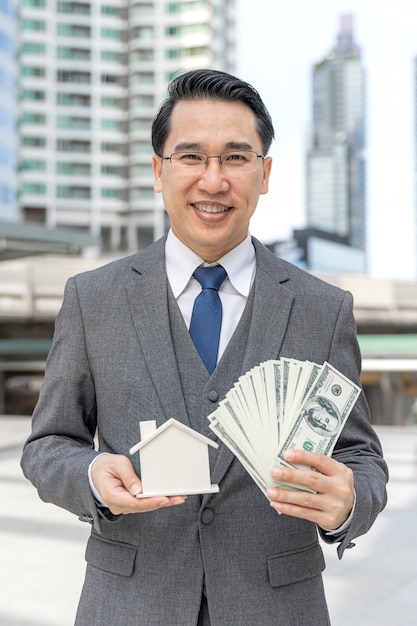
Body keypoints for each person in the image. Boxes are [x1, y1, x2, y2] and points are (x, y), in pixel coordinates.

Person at [21, 69, 388, 626]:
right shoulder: (92, 299)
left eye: (236, 158)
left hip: (278, 606)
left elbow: (360, 456)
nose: (213, 181)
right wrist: (93, 477)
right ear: (157, 171)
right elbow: (48, 444)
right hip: (128, 605)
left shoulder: (322, 308)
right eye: (191, 157)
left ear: (264, 174)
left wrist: (350, 503)